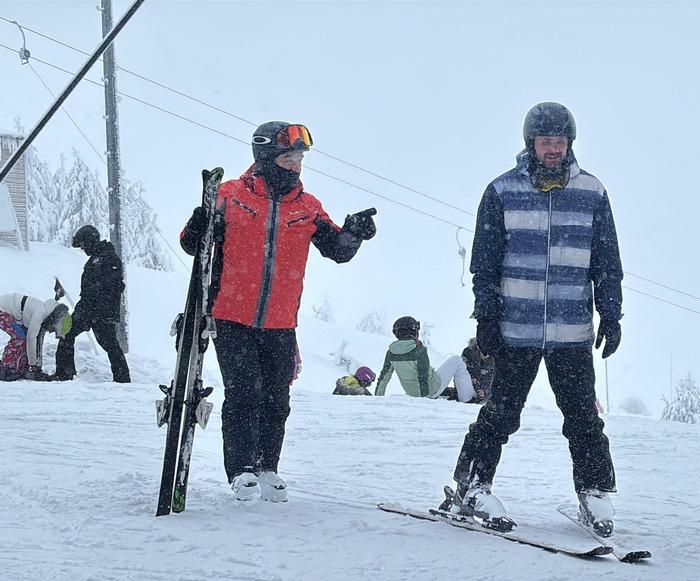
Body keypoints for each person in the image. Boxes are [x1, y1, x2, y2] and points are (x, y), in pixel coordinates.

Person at [440, 102, 624, 535]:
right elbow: (484, 263)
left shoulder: (592, 193)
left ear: (570, 144)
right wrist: (486, 317)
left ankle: (595, 491)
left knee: (582, 417)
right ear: (531, 144)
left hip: (572, 330)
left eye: (560, 142)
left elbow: (607, 262)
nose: (554, 149)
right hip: (515, 330)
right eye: (546, 142)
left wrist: (611, 314)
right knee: (501, 413)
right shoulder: (502, 192)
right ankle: (473, 485)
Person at [179, 121, 376, 503]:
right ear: (266, 157)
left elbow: (337, 250)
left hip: (281, 321)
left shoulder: (307, 206)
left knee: (277, 398)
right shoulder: (229, 196)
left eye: (299, 158)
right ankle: (241, 471)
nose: (296, 165)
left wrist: (354, 233)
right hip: (231, 316)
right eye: (288, 157)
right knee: (244, 393)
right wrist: (198, 223)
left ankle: (267, 466)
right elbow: (191, 245)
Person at [53, 225, 131, 383]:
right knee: (68, 334)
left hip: (99, 311)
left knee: (108, 344)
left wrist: (98, 304)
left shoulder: (108, 257)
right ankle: (65, 374)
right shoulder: (97, 258)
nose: (82, 248)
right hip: (89, 309)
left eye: (83, 244)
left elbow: (114, 286)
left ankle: (122, 380)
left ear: (91, 241)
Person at [374, 316, 476, 403]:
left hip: (411, 393)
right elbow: (423, 377)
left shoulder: (391, 352)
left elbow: (384, 377)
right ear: (414, 331)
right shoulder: (419, 350)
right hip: (430, 390)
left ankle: (450, 394)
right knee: (457, 361)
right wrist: (425, 400)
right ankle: (467, 399)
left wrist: (377, 399)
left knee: (434, 372)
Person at [0, 293, 71, 381]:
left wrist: (37, 367)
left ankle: (21, 370)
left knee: (24, 338)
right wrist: (33, 365)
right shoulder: (40, 314)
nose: (51, 331)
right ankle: (6, 370)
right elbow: (31, 340)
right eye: (54, 329)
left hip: (8, 311)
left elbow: (39, 340)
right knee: (19, 338)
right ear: (55, 321)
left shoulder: (47, 313)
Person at [461, 337, 495, 404]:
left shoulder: (495, 359)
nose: (486, 354)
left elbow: (495, 379)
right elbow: (461, 370)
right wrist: (470, 378)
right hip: (465, 386)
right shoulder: (468, 353)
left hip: (482, 391)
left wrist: (485, 391)